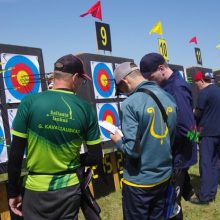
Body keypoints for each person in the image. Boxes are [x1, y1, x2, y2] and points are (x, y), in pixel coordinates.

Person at [7, 54, 102, 219]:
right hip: (69, 189)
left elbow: (15, 154)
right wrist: (70, 161)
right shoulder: (86, 109)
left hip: (35, 188)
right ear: (74, 77)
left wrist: (13, 192)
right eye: (82, 80)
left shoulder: (29, 102)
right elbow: (95, 156)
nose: (81, 84)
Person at [110, 62, 177, 220]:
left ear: (125, 81)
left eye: (121, 90)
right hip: (164, 175)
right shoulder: (168, 96)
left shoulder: (131, 103)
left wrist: (118, 140)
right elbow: (171, 136)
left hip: (139, 182)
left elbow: (132, 150)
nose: (124, 94)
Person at [140, 53, 197, 219]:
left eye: (151, 77)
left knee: (171, 206)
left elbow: (186, 127)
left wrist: (162, 144)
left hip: (177, 156)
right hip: (176, 155)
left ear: (161, 68)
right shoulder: (167, 86)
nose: (150, 82)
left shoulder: (177, 89)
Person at [190, 71, 220, 204]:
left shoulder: (204, 93)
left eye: (196, 83)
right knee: (214, 164)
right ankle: (212, 194)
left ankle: (204, 197)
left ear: (201, 81)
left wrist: (191, 135)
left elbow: (197, 115)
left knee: (206, 165)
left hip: (207, 134)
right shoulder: (218, 91)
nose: (196, 86)